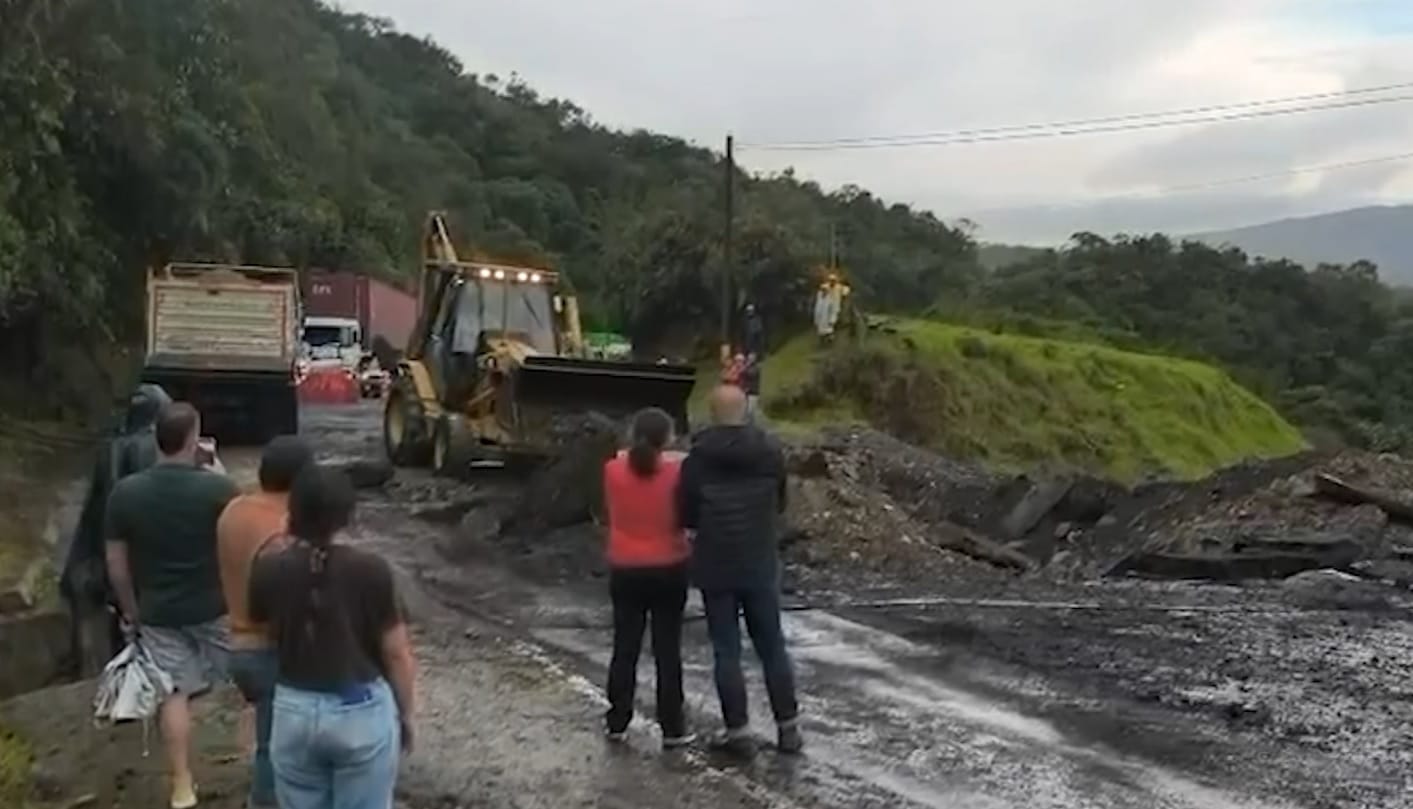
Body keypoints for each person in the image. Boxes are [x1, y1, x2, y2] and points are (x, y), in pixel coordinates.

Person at [249, 466, 417, 809]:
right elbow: (396, 652)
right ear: (348, 514)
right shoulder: (373, 569)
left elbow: (265, 632)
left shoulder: (266, 566)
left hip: (293, 707)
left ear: (292, 511)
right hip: (360, 709)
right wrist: (406, 713)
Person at [105, 402, 241, 809]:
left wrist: (132, 610)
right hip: (215, 608)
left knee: (175, 694)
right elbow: (239, 525)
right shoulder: (217, 488)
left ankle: (182, 785)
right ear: (193, 438)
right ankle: (262, 757)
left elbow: (116, 564)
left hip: (159, 612)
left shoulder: (126, 492)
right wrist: (214, 465)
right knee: (250, 679)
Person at [678, 385, 802, 758]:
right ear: (746, 411)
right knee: (772, 646)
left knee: (726, 650)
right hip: (760, 561)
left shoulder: (696, 461)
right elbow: (780, 502)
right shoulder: (770, 453)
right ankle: (789, 729)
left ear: (712, 414)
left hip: (716, 564)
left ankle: (739, 732)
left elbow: (686, 514)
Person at [218, 436, 315, 809]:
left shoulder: (234, 511)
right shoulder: (284, 528)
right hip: (271, 649)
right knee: (276, 752)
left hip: (238, 645)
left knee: (270, 741)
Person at [601, 408, 693, 749]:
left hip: (625, 566)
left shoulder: (612, 471)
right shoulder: (677, 471)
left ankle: (617, 719)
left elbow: (624, 457)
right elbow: (680, 461)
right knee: (667, 649)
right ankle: (672, 726)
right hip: (670, 565)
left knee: (625, 646)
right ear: (667, 439)